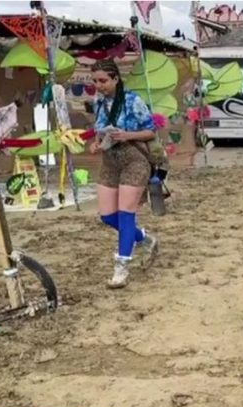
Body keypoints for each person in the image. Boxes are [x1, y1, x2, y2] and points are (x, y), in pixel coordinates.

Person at [88, 59, 159, 289]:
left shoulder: (132, 101)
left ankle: (121, 267)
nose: (99, 85)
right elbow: (98, 131)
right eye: (95, 81)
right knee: (108, 216)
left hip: (134, 160)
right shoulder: (98, 102)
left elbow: (151, 131)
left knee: (125, 213)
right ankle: (143, 239)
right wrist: (95, 143)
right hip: (110, 161)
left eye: (103, 81)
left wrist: (128, 136)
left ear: (116, 79)